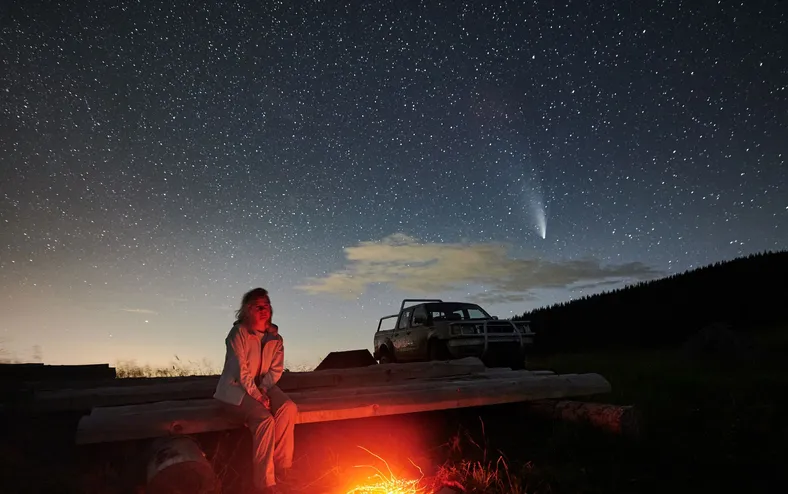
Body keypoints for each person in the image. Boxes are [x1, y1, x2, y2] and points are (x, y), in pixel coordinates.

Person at [214, 288, 297, 494]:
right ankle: (265, 483)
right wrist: (258, 395)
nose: (263, 310)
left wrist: (264, 388)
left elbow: (275, 370)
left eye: (266, 305)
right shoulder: (238, 333)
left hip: (262, 386)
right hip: (235, 390)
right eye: (258, 306)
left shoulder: (275, 339)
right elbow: (239, 370)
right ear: (246, 310)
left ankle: (283, 467)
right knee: (264, 420)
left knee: (288, 408)